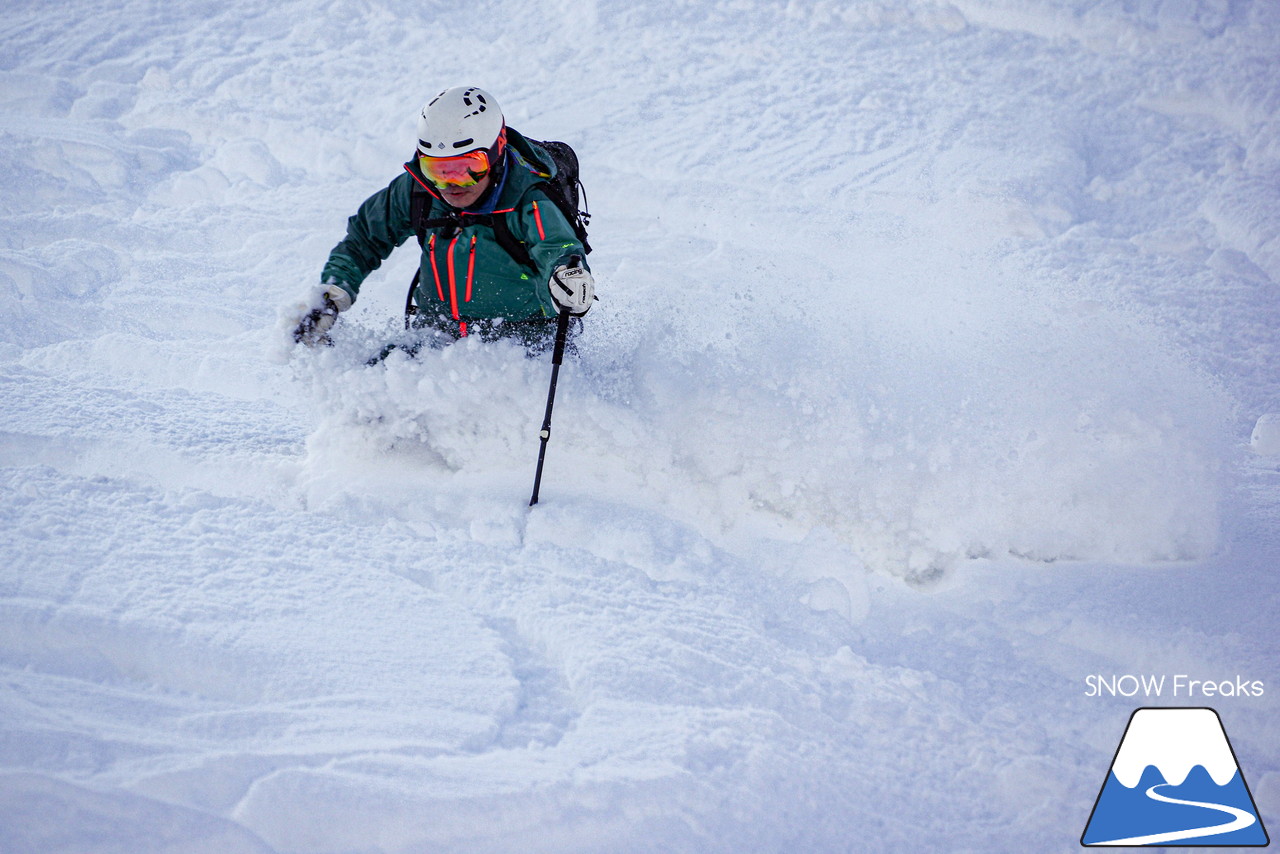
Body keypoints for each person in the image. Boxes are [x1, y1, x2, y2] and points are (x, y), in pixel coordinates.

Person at [291, 85, 594, 351]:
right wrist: (332, 295)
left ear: (496, 150)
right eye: (437, 169)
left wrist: (567, 276)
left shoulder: (527, 201)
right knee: (371, 402)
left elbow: (559, 249)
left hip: (523, 344)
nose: (451, 184)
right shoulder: (419, 191)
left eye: (467, 168)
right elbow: (364, 240)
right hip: (435, 338)